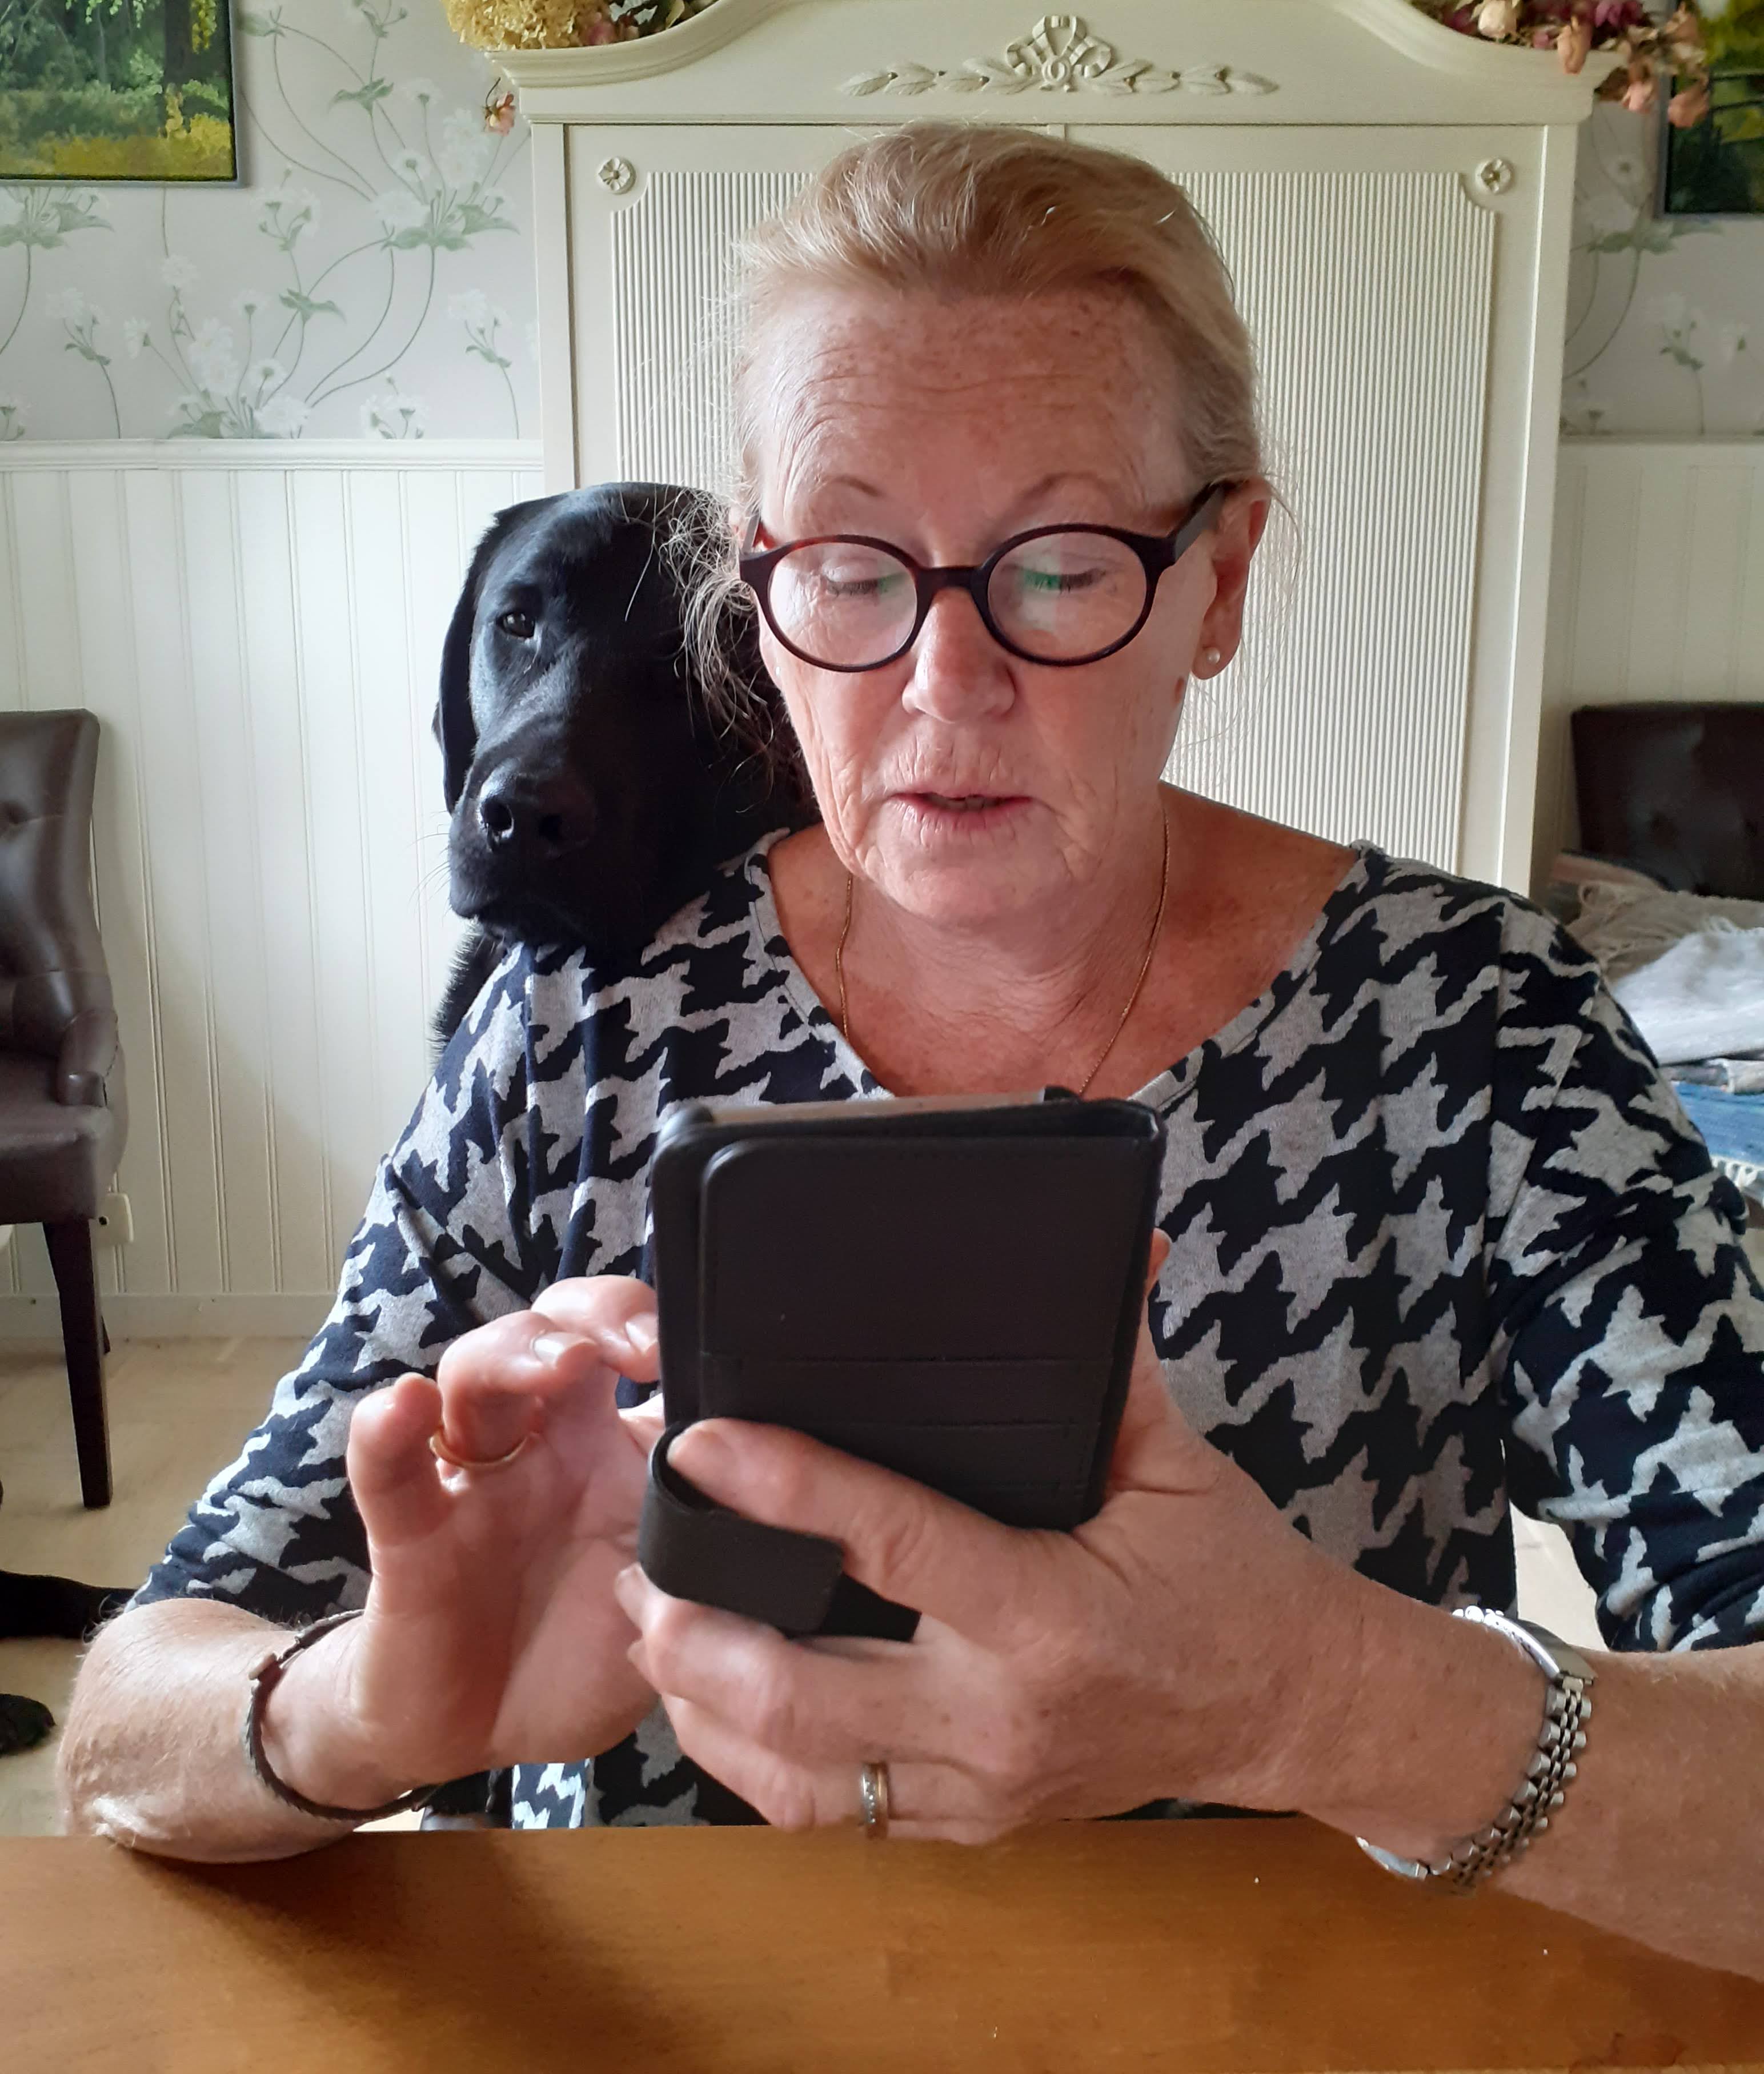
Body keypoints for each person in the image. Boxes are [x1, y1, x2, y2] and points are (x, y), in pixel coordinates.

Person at [61, 126, 1764, 1975]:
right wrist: (373, 1705)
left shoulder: (1480, 1034)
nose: (948, 688)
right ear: (763, 591)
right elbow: (129, 1727)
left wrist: (1314, 1701)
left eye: (1060, 567)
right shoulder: (577, 1030)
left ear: (1219, 580)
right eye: (855, 568)